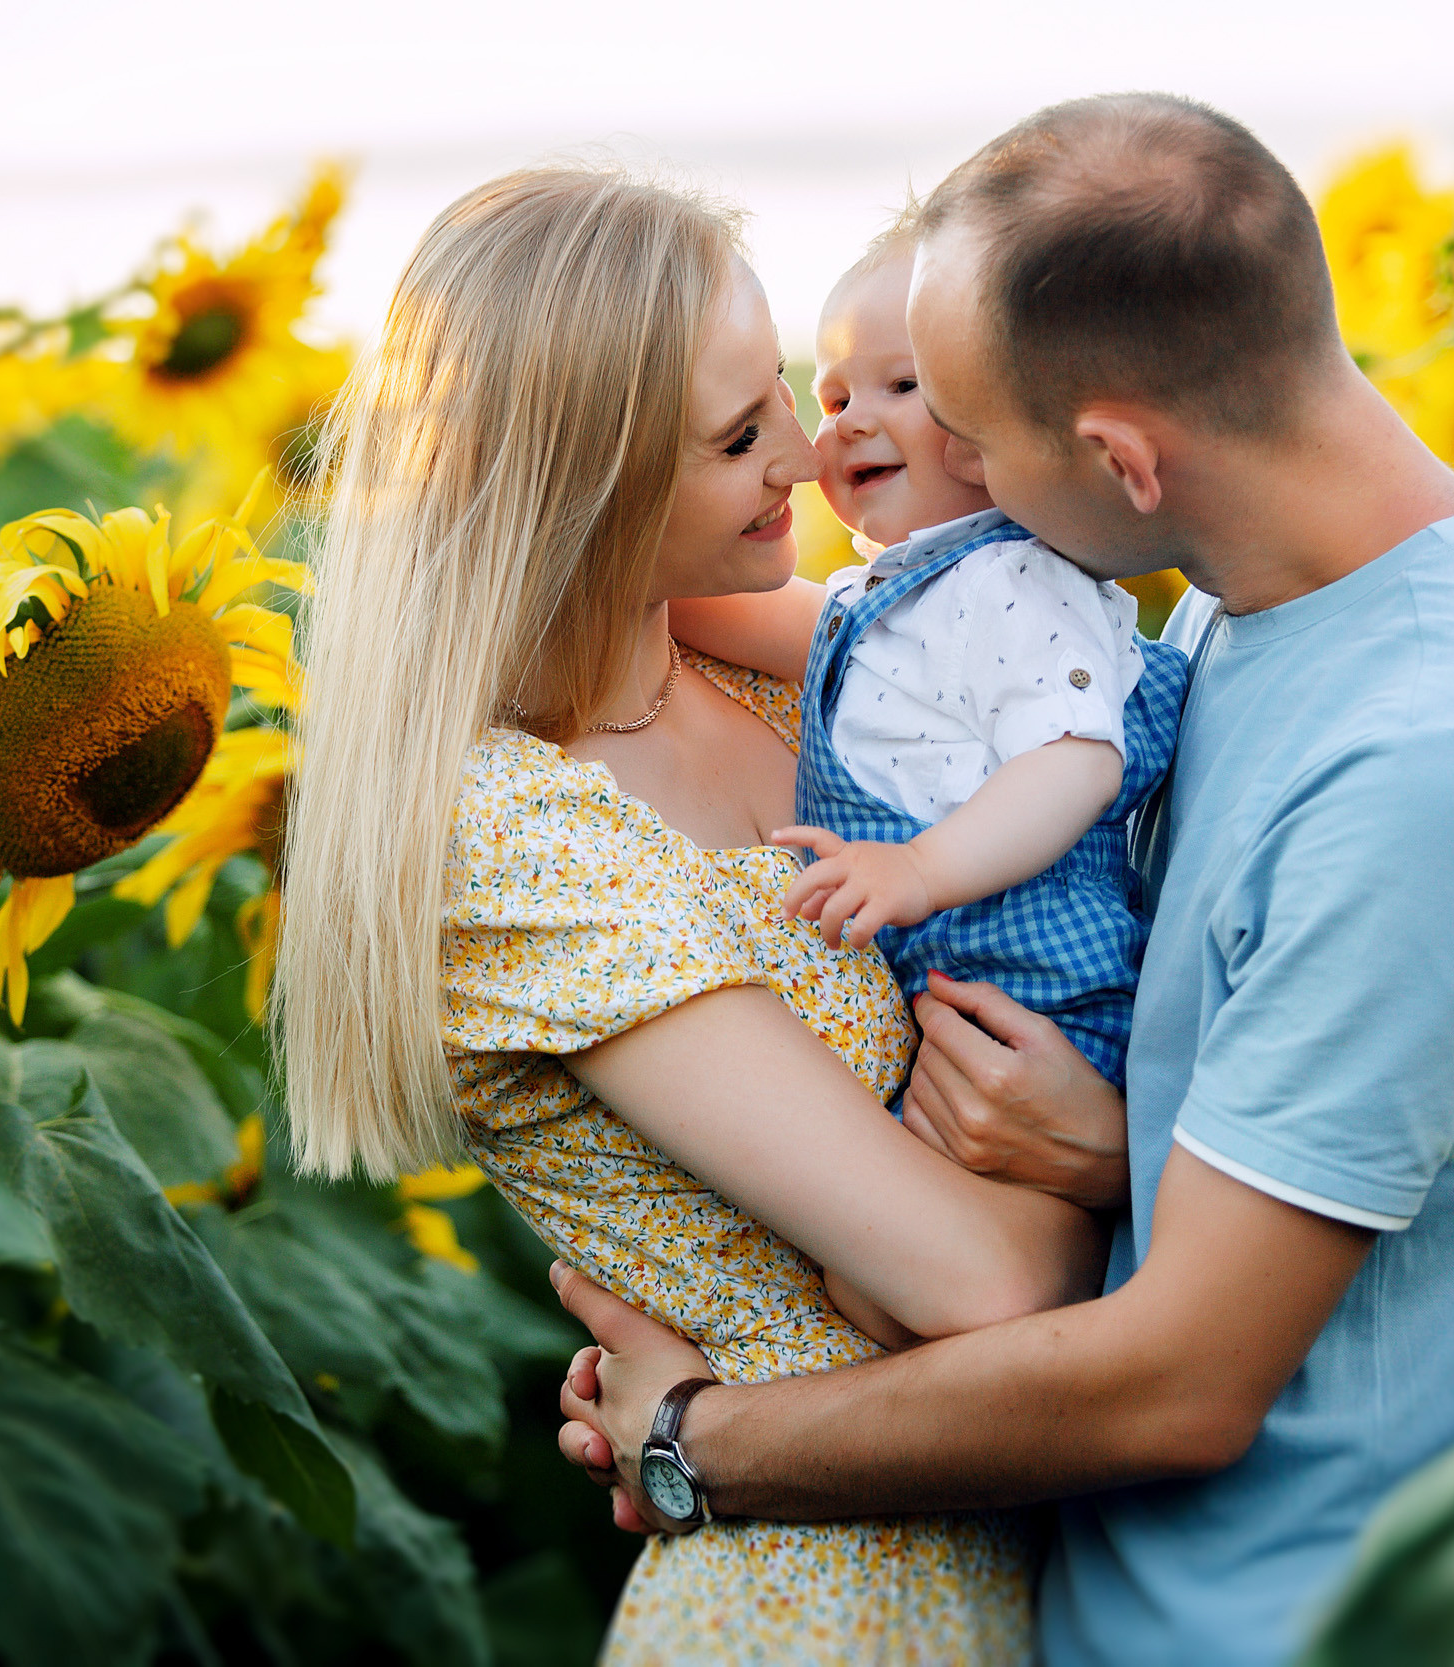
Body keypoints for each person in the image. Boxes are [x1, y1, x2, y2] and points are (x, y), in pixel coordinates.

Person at [553, 94, 1454, 1664]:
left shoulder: (1428, 766)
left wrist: (701, 1439)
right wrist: (1122, 1148)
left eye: (972, 435)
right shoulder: (1258, 601)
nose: (900, 468)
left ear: (1117, 459)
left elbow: (1181, 1380)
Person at [271, 167, 1107, 1663]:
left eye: (784, 389)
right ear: (582, 492)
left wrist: (1092, 1142)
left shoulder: (750, 653)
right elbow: (978, 1283)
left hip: (1054, 1545)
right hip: (839, 1599)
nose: (811, 446)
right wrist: (1121, 1179)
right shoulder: (509, 834)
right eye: (739, 435)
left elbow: (1059, 676)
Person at [674, 219, 1188, 1090]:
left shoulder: (1014, 580)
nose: (847, 426)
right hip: (951, 995)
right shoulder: (895, 599)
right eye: (834, 400)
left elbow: (1077, 760)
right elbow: (722, 610)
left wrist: (920, 868)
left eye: (902, 384)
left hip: (1045, 998)